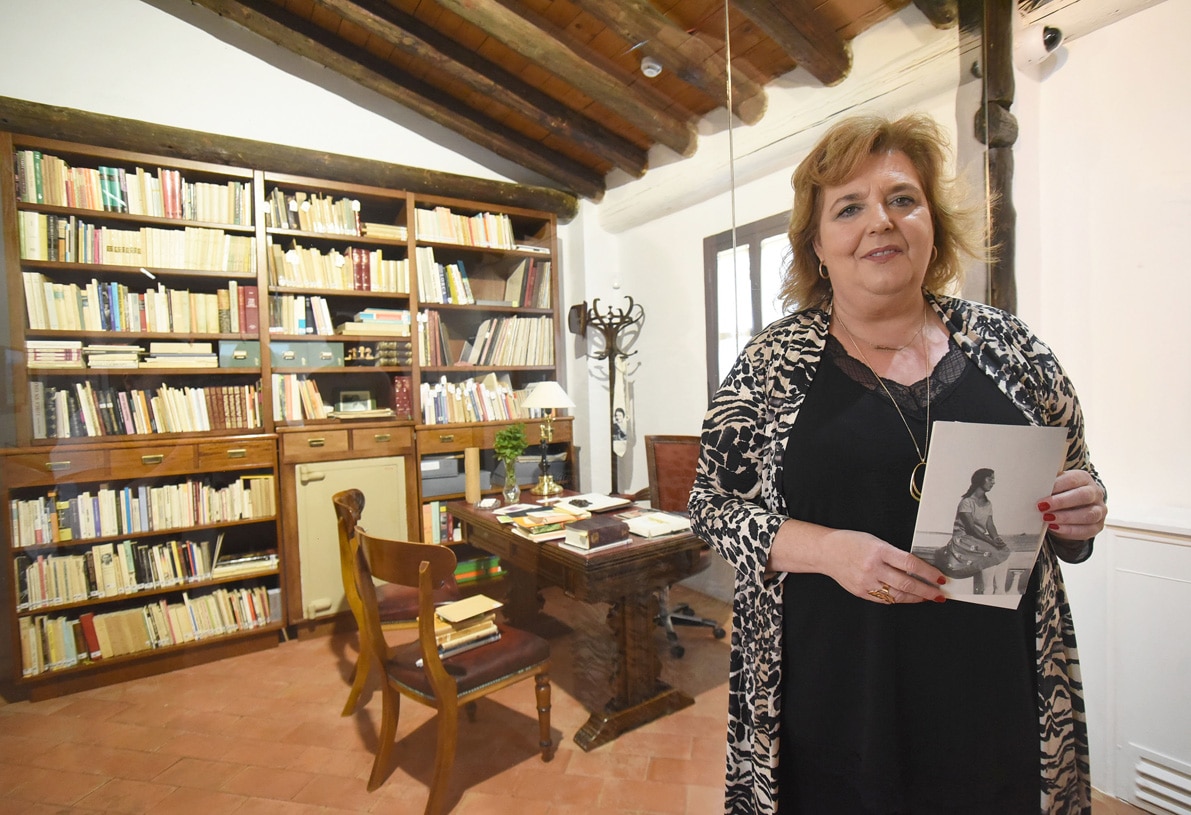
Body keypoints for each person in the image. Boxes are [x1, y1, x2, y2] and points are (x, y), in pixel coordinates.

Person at [688, 113, 1106, 815]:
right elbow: (712, 507)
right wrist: (825, 550)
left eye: (901, 199)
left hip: (993, 697)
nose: (879, 221)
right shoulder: (768, 367)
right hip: (833, 703)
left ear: (930, 224)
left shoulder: (1014, 351)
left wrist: (1079, 510)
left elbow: (1076, 496)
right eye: (848, 208)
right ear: (816, 245)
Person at [939, 468, 1012, 594]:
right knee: (990, 553)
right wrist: (990, 541)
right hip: (963, 539)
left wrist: (996, 538)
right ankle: (988, 590)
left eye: (993, 479)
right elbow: (971, 529)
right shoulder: (966, 502)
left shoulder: (988, 503)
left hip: (978, 537)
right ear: (980, 480)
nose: (993, 482)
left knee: (1004, 550)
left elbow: (990, 525)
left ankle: (1000, 590)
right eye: (990, 479)